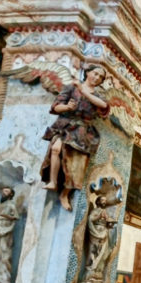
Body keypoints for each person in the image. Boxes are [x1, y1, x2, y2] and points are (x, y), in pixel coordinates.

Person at [41, 64, 110, 211]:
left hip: (83, 131)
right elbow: (56, 106)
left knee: (78, 165)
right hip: (65, 125)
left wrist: (83, 91)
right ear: (88, 73)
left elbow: (103, 106)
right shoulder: (71, 88)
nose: (97, 78)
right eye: (95, 73)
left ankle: (65, 194)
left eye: (100, 77)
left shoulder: (97, 95)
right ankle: (53, 181)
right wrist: (67, 108)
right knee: (55, 148)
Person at [84, 194, 118, 283]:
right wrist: (99, 216)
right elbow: (90, 219)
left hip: (104, 234)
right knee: (92, 252)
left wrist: (110, 223)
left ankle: (98, 274)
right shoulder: (95, 211)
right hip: (95, 233)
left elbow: (108, 223)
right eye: (103, 200)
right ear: (98, 202)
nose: (104, 202)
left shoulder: (105, 212)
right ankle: (89, 273)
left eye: (105, 200)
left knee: (102, 254)